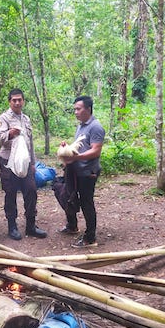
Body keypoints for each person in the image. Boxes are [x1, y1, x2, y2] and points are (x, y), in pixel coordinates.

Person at [0, 88, 47, 240]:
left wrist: (33, 162)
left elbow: (29, 142)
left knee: (31, 191)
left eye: (20, 100)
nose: (17, 102)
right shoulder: (3, 118)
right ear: (9, 102)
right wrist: (11, 133)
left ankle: (31, 225)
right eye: (14, 100)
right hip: (8, 161)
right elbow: (0, 140)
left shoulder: (26, 119)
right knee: (10, 193)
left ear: (23, 101)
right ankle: (12, 226)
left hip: (25, 161)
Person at [59, 95, 104, 248]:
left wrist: (76, 158)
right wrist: (68, 148)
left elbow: (96, 151)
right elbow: (80, 146)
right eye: (75, 109)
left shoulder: (96, 126)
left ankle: (90, 238)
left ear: (88, 109)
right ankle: (72, 226)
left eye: (78, 109)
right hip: (77, 170)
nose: (76, 112)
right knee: (67, 195)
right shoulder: (81, 125)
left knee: (86, 202)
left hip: (88, 172)